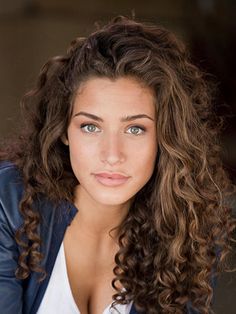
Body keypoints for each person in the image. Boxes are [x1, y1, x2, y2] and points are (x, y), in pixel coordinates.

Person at [0, 15, 235, 314]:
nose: (112, 154)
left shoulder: (188, 234)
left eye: (135, 129)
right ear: (63, 131)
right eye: (90, 127)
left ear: (166, 138)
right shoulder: (8, 203)